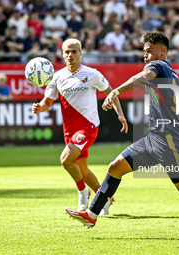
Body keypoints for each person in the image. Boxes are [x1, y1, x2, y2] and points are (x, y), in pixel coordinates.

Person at [65, 32, 179, 238]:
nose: (145, 56)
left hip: (169, 140)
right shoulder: (176, 78)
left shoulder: (158, 67)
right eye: (144, 52)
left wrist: (115, 91)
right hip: (155, 138)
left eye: (149, 51)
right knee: (115, 167)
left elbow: (142, 77)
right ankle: (92, 214)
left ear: (162, 51)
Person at [32, 38, 128, 214]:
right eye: (67, 52)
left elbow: (111, 93)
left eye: (74, 51)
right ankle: (105, 197)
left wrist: (120, 114)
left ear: (81, 53)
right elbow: (47, 102)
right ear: (62, 54)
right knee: (82, 170)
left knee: (65, 160)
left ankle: (83, 192)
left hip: (88, 126)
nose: (70, 55)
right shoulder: (57, 77)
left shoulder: (92, 74)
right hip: (69, 130)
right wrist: (40, 108)